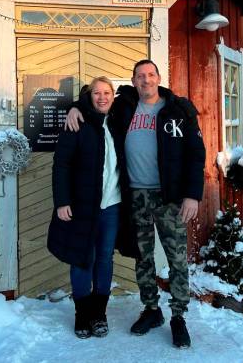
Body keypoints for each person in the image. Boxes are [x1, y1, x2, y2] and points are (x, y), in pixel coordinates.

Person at [65, 60, 205, 348]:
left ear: (158, 78)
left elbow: (196, 153)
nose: (145, 80)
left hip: (169, 198)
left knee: (176, 257)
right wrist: (75, 107)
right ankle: (152, 310)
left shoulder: (178, 110)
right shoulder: (124, 106)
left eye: (150, 75)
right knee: (143, 257)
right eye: (140, 76)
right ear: (133, 80)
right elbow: (95, 99)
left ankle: (179, 317)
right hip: (135, 196)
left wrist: (193, 194)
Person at [48, 76, 127, 339]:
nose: (102, 97)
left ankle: (99, 314)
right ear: (88, 96)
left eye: (107, 92)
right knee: (83, 258)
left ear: (113, 96)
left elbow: (138, 95)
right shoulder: (77, 123)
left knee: (104, 258)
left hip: (112, 206)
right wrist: (62, 202)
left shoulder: (118, 122)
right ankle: (82, 314)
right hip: (82, 206)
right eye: (96, 93)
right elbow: (62, 165)